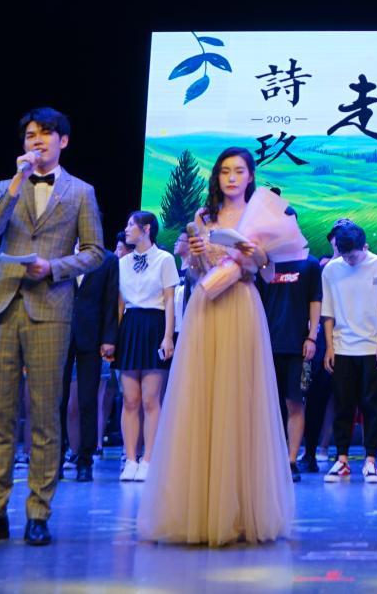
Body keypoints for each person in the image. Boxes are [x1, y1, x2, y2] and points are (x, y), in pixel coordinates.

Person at [0, 108, 106, 548]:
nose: (36, 141)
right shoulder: (8, 185)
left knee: (44, 415)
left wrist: (55, 267)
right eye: (29, 135)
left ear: (64, 141)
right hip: (5, 305)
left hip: (50, 307)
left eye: (45, 134)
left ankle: (38, 512)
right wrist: (17, 180)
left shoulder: (81, 192)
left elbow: (95, 251)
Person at [137, 147, 298, 546]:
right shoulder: (203, 218)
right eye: (225, 171)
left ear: (250, 176)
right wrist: (194, 256)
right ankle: (198, 509)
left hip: (241, 306)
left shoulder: (261, 217)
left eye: (239, 171)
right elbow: (196, 273)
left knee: (240, 401)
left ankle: (240, 511)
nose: (231, 178)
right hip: (206, 308)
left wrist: (255, 255)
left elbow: (267, 271)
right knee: (202, 398)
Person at [110, 209, 178, 482]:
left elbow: (170, 299)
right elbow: (119, 304)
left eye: (131, 225)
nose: (127, 229)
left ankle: (149, 460)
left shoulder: (165, 259)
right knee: (130, 399)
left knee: (150, 399)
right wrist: (113, 337)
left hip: (154, 325)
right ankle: (130, 460)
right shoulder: (122, 263)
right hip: (130, 326)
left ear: (146, 228)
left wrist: (168, 336)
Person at [320, 221, 377, 483]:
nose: (349, 260)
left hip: (372, 347)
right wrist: (329, 346)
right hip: (342, 347)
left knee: (372, 405)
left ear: (365, 247)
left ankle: (371, 460)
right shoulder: (331, 270)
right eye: (345, 255)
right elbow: (328, 312)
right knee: (343, 405)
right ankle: (342, 459)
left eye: (353, 256)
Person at [256, 211, 321, 482]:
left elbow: (315, 301)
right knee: (267, 405)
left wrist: (312, 337)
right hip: (266, 344)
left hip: (297, 346)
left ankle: (291, 461)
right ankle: (268, 460)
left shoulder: (309, 263)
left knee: (295, 403)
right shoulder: (265, 261)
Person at [63, 228, 119, 482]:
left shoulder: (107, 259)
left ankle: (85, 460)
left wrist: (109, 338)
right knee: (57, 400)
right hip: (60, 334)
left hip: (91, 336)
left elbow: (110, 301)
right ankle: (55, 458)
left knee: (87, 400)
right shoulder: (61, 254)